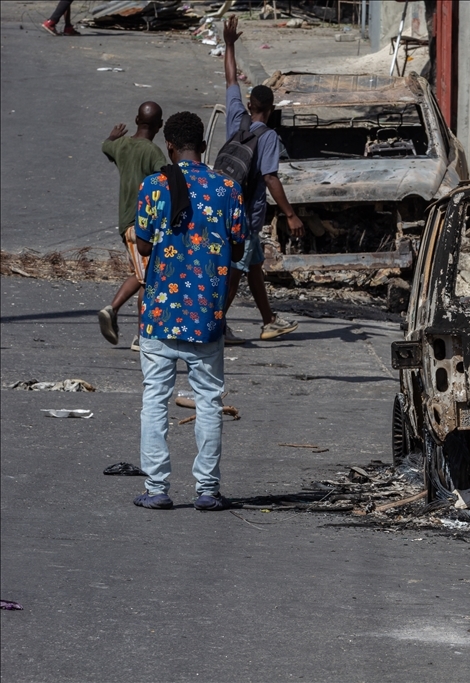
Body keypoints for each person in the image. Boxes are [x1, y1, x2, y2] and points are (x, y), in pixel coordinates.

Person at [131, 111, 247, 511]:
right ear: (203, 145)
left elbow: (143, 245)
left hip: (161, 314)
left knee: (154, 400)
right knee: (209, 402)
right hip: (206, 315)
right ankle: (207, 490)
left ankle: (157, 487)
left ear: (169, 145)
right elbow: (240, 247)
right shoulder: (228, 188)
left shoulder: (155, 185)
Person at [220, 15, 303, 344]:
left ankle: (269, 320)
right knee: (238, 269)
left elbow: (229, 80)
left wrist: (229, 45)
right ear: (270, 109)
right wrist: (290, 214)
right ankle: (216, 324)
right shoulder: (267, 137)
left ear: (250, 105)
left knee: (253, 266)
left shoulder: (236, 120)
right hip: (246, 218)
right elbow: (269, 177)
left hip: (224, 208)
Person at [98, 102, 166, 351]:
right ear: (160, 125)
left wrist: (111, 137)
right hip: (142, 227)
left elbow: (107, 147)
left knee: (140, 274)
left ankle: (112, 311)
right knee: (148, 280)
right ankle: (141, 335)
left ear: (136, 120)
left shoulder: (122, 146)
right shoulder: (153, 153)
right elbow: (165, 180)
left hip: (125, 222)